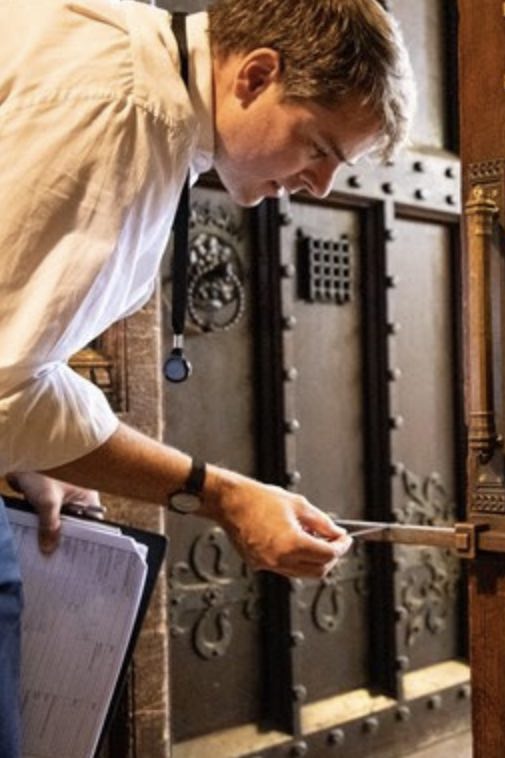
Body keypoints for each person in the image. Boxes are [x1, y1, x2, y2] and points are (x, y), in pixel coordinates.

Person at [0, 0, 415, 753]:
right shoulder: (115, 114)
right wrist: (218, 492)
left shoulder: (138, 84)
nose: (321, 185)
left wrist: (28, 447)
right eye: (318, 146)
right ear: (255, 75)